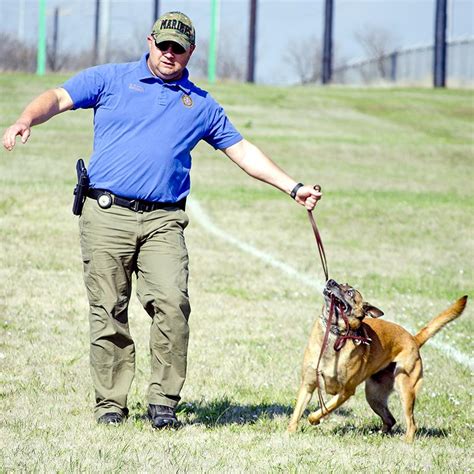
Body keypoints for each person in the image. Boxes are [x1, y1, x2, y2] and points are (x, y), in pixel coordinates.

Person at [2, 11, 321, 429]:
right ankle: (111, 405)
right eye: (164, 45)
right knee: (108, 310)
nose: (170, 54)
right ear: (150, 41)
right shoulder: (111, 79)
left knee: (172, 303)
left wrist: (293, 187)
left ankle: (163, 402)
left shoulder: (201, 104)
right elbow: (58, 97)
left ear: (191, 52)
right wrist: (27, 119)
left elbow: (242, 151)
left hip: (164, 222)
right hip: (106, 214)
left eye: (179, 48)